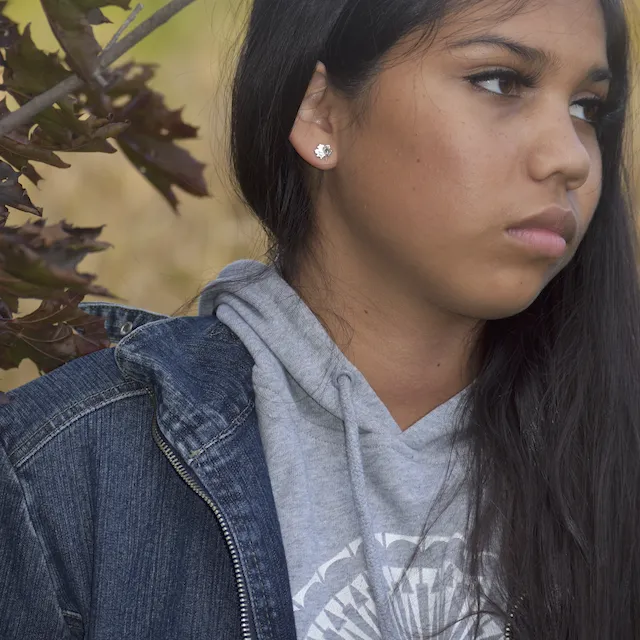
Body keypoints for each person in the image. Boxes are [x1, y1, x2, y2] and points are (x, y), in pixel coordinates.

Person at [1, 0, 638, 637]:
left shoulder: (613, 449)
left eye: (587, 106)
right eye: (499, 81)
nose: (570, 158)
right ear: (320, 110)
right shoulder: (65, 473)